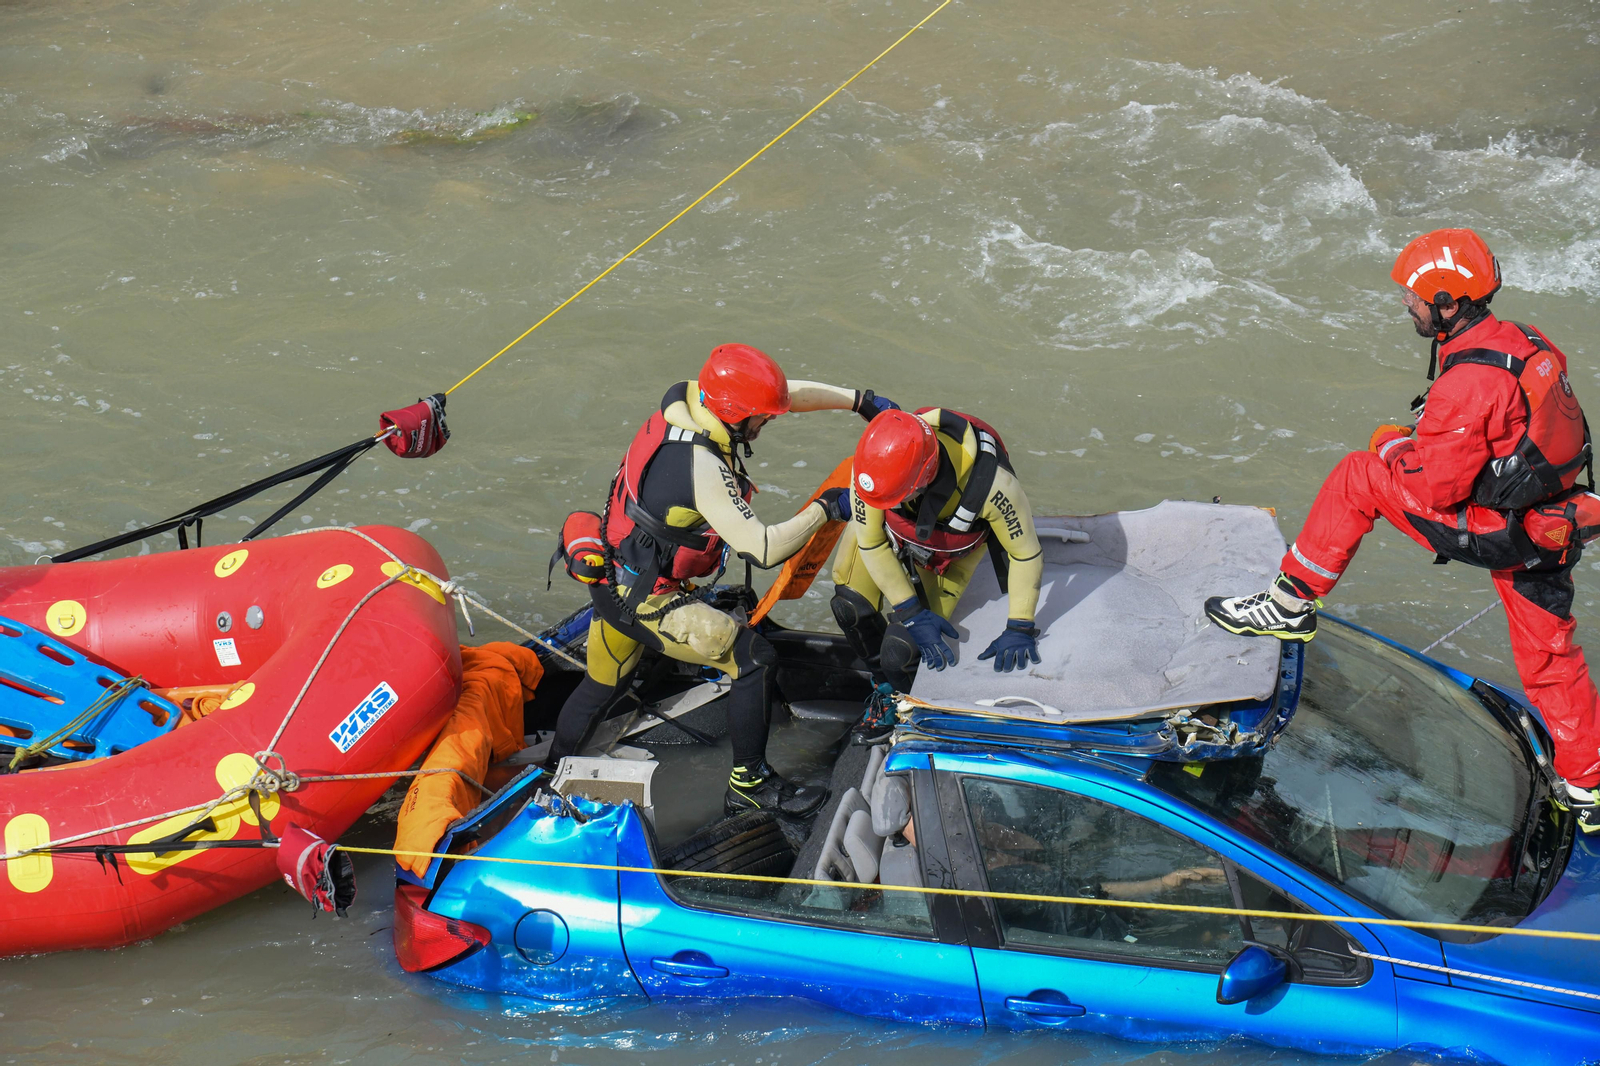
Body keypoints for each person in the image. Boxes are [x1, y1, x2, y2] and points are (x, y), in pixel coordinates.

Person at [1205, 228, 1600, 834]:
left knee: (1359, 474)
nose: (1406, 305)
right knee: (1551, 656)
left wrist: (1394, 446)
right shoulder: (1524, 341)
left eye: (1415, 296)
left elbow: (1432, 491)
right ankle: (1587, 782)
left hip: (1501, 530)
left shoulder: (1468, 382)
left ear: (1448, 301)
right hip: (1553, 521)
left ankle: (1289, 603)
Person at [548, 343, 895, 816]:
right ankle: (749, 781)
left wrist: (862, 401)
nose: (767, 424)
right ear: (735, 413)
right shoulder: (701, 465)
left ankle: (548, 776)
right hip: (649, 601)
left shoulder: (690, 406)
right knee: (754, 658)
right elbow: (765, 548)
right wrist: (825, 508)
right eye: (762, 419)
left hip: (613, 580)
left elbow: (785, 396)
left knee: (599, 687)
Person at [830, 407, 1045, 697]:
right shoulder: (872, 468)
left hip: (950, 557)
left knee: (899, 652)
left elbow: (1025, 553)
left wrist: (1020, 626)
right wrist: (910, 611)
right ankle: (883, 688)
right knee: (849, 608)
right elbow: (872, 543)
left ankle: (904, 700)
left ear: (924, 477)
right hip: (892, 541)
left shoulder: (994, 485)